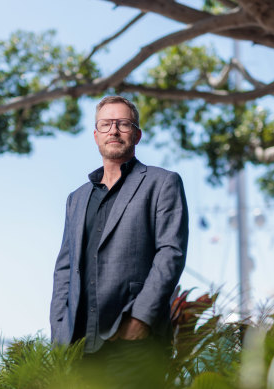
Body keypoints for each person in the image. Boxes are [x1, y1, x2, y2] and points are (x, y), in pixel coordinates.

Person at [49, 95, 189, 386]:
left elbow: (170, 253)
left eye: (123, 124)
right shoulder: (76, 199)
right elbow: (65, 268)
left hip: (133, 339)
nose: (114, 130)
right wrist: (59, 330)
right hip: (78, 344)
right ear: (96, 135)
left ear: (137, 134)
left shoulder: (163, 182)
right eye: (106, 124)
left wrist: (141, 318)